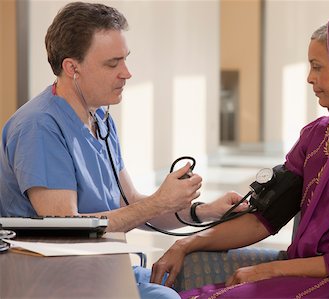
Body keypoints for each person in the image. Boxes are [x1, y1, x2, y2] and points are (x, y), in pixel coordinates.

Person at [150, 16, 329, 299]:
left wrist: (272, 270)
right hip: (301, 276)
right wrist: (185, 244)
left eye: (318, 67)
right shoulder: (316, 137)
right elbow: (263, 219)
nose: (309, 78)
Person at [0, 2, 247, 299]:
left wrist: (207, 211)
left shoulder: (100, 118)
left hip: (101, 268)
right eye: (112, 63)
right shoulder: (39, 128)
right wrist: (158, 202)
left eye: (125, 60)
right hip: (53, 281)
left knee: (209, 283)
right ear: (72, 68)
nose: (127, 73)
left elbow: (132, 205)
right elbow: (65, 229)